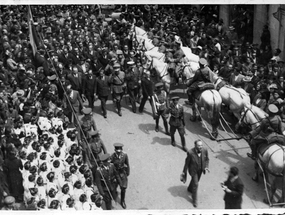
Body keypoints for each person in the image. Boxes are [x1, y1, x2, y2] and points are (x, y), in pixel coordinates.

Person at [181, 139, 209, 208]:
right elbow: (186, 163)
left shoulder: (205, 150)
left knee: (195, 181)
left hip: (201, 170)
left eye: (201, 145)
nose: (200, 147)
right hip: (193, 170)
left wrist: (206, 167)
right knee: (196, 184)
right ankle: (194, 200)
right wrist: (184, 172)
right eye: (199, 145)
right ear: (195, 146)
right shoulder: (190, 152)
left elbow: (207, 159)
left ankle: (190, 188)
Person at [110, 143, 130, 209]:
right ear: (115, 150)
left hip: (122, 173)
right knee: (114, 186)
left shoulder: (124, 155)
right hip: (115, 174)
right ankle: (114, 195)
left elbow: (127, 163)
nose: (119, 152)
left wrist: (127, 172)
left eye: (120, 151)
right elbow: (111, 165)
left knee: (123, 188)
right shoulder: (112, 156)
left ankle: (122, 201)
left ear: (121, 150)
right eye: (117, 151)